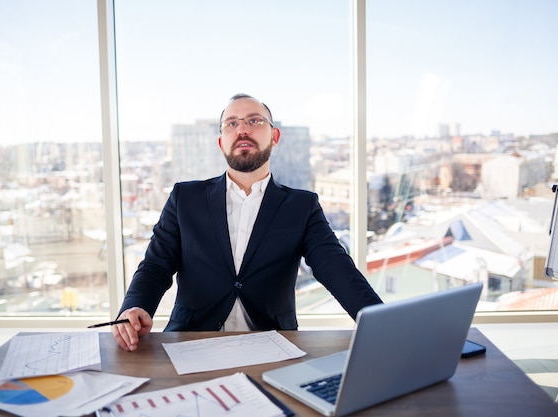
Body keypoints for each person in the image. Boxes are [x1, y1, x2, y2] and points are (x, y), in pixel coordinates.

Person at [113, 93, 384, 351]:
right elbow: (155, 266)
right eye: (232, 123)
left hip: (274, 346)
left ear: (274, 136)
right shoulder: (185, 198)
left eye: (254, 121)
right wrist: (135, 306)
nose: (242, 129)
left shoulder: (302, 206)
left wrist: (381, 322)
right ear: (221, 141)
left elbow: (336, 268)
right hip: (190, 341)